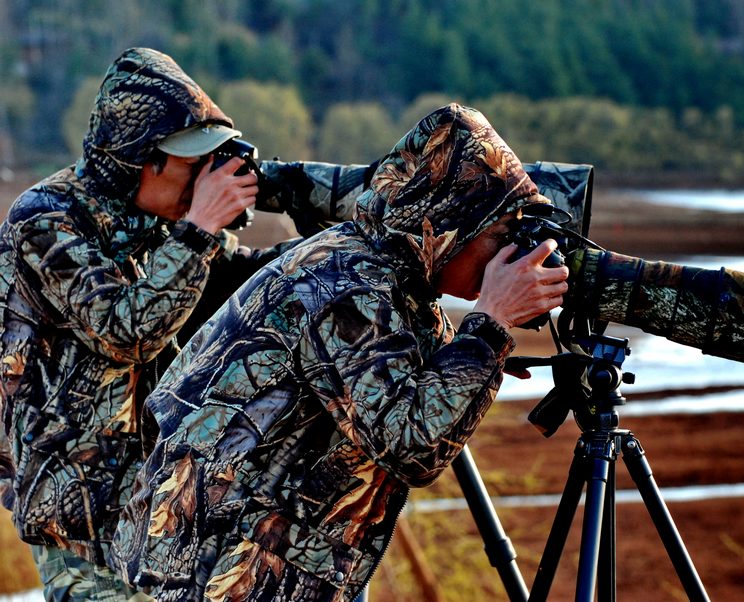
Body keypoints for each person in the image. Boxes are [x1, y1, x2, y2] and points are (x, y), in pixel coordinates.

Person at [110, 103, 570, 601]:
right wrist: (489, 327)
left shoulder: (383, 272)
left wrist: (474, 355)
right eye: (501, 235)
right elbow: (411, 448)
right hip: (214, 571)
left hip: (232, 564)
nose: (511, 255)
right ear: (446, 224)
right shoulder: (348, 285)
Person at [0, 47, 335, 601]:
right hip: (78, 515)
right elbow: (126, 330)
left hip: (159, 510)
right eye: (191, 163)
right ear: (140, 159)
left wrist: (335, 260)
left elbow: (237, 281)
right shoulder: (47, 219)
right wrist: (200, 225)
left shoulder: (160, 223)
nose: (201, 178)